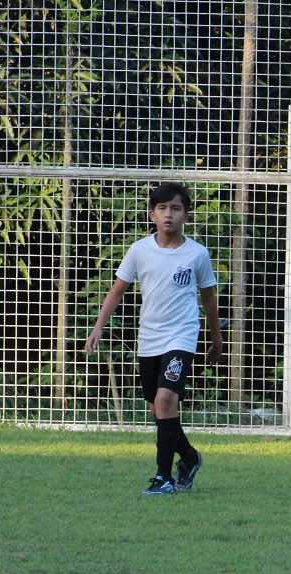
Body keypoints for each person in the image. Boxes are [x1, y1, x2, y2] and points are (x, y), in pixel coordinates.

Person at [84, 181, 223, 496]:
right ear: (152, 215)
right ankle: (189, 457)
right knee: (157, 410)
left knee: (165, 401)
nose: (168, 215)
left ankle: (163, 478)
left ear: (186, 215)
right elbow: (117, 290)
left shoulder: (197, 254)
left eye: (175, 208)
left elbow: (210, 300)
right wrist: (98, 327)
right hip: (149, 339)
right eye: (162, 209)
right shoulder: (139, 250)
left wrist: (217, 339)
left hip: (181, 337)